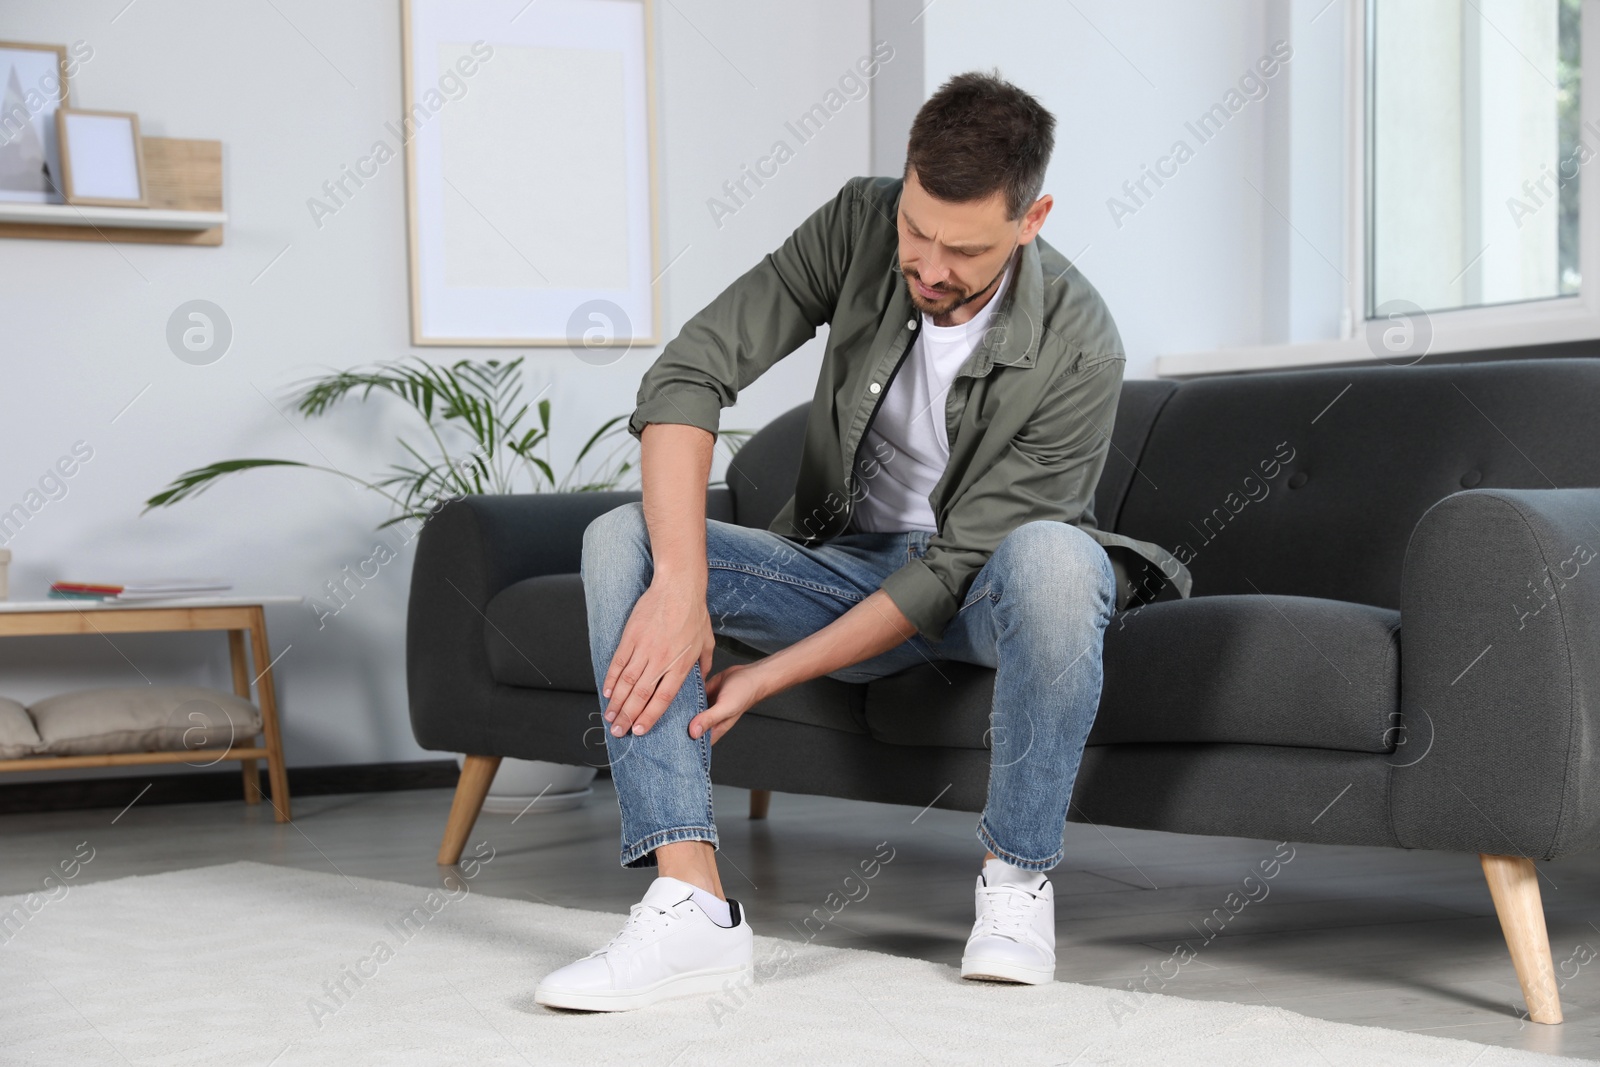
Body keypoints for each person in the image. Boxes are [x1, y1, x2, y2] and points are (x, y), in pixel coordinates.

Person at [534, 70, 1186, 1012]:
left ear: (1032, 218)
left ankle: (1016, 886)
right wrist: (681, 582)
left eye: (962, 248)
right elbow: (692, 369)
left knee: (1052, 558)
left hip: (983, 594)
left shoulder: (1082, 343)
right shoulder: (860, 222)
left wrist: (768, 672)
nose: (926, 264)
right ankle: (690, 904)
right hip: (843, 567)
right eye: (917, 229)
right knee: (618, 538)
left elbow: (954, 571)